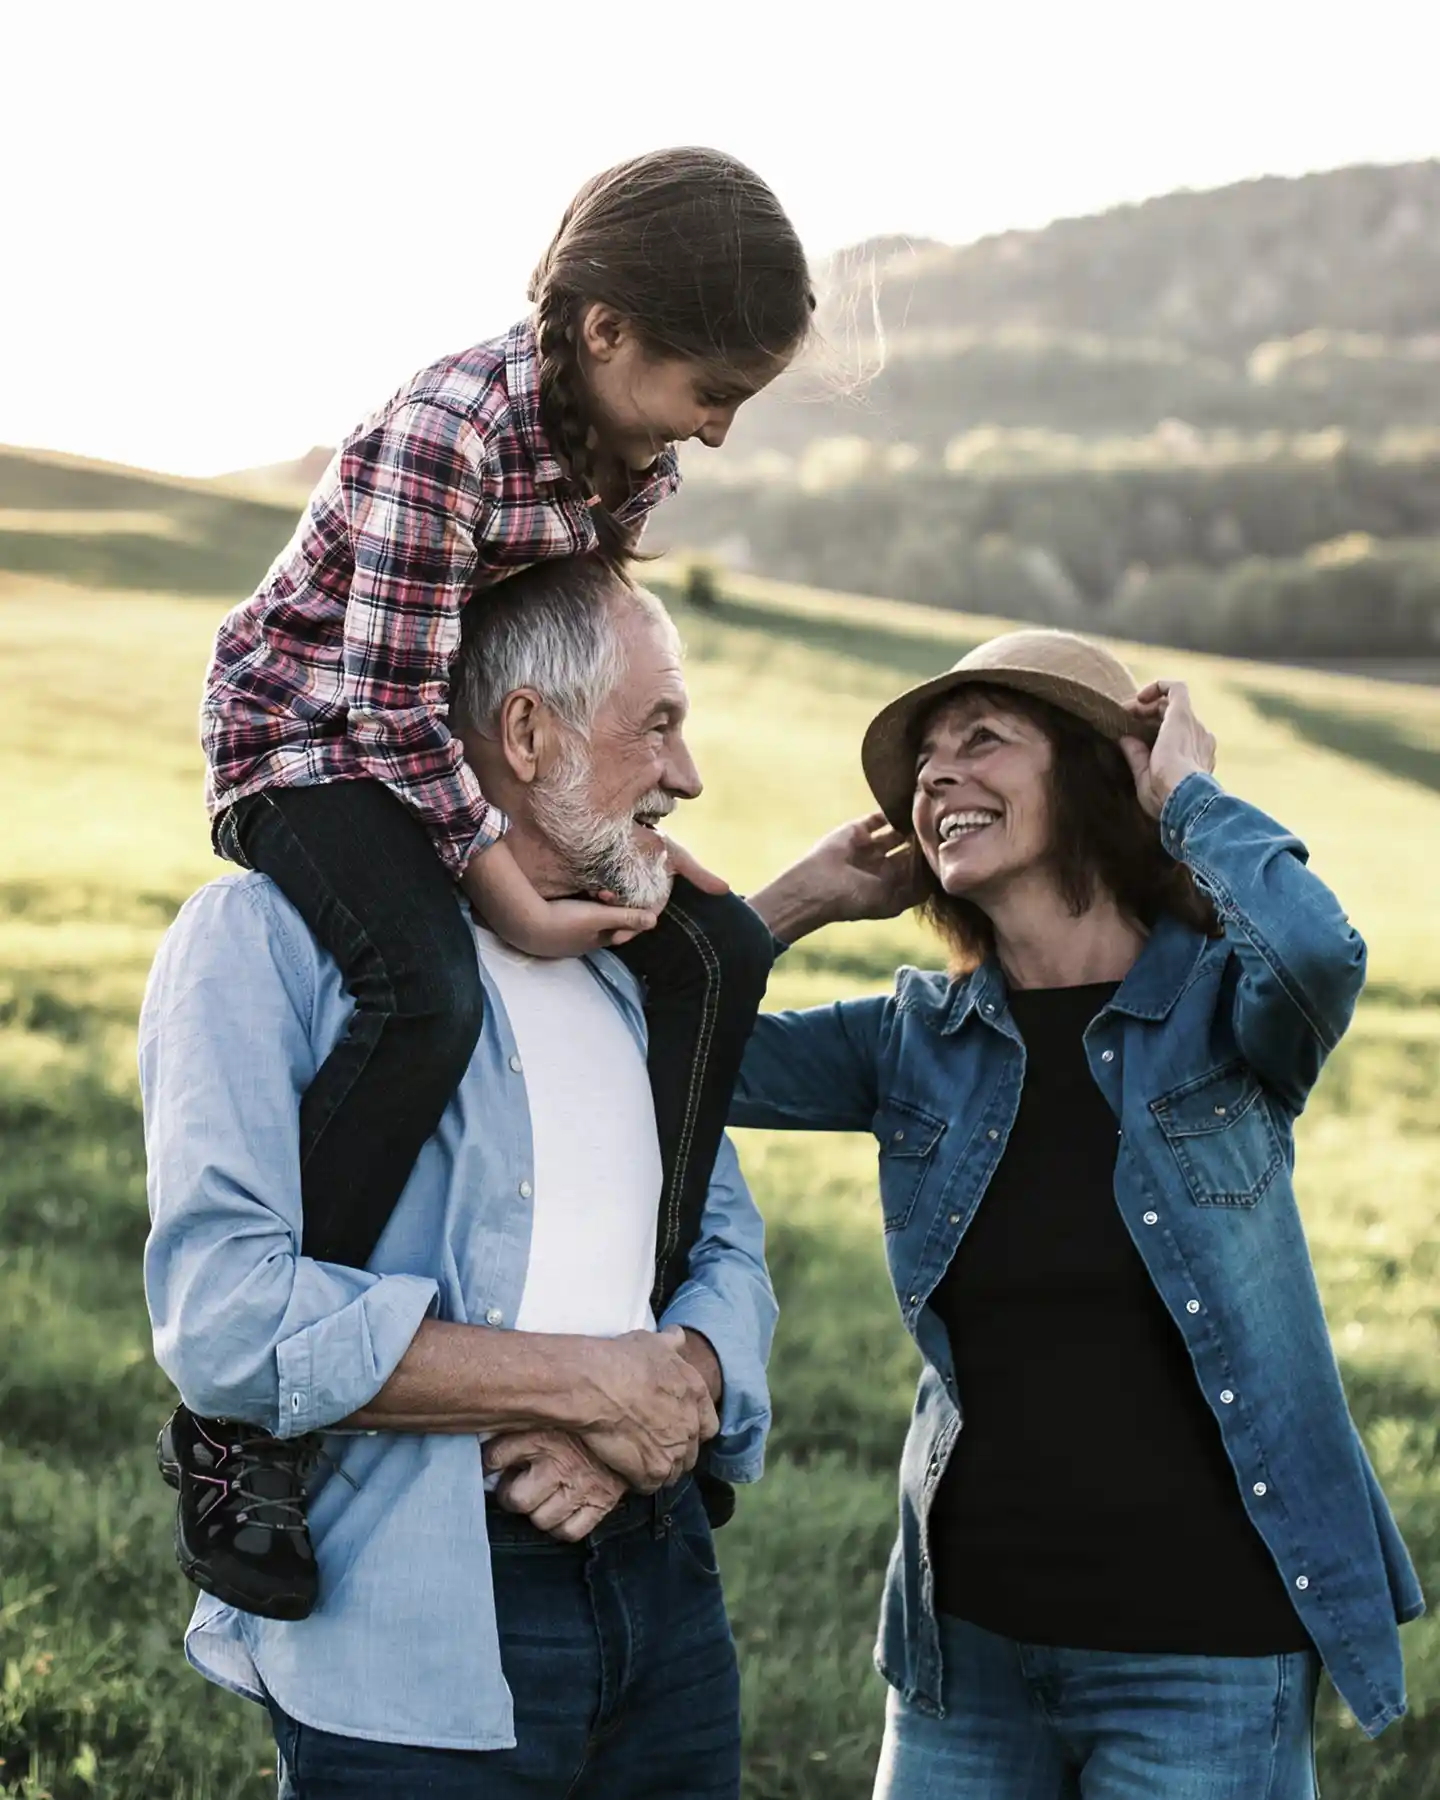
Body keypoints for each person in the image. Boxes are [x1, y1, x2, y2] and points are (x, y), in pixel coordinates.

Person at [160, 147, 812, 1617]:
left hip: (439, 747)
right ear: (605, 332)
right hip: (311, 749)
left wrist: (620, 825)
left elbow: (561, 636)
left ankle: (638, 1332)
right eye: (712, 390)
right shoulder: (450, 429)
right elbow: (392, 709)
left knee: (706, 954)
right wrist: (508, 889)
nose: (714, 431)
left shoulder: (620, 451)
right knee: (424, 988)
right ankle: (243, 1428)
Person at [735, 628, 1422, 1798]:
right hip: (970, 1664)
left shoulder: (1223, 1011)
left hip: (1202, 1658)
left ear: (1100, 775)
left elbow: (1316, 946)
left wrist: (1190, 798)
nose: (936, 776)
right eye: (926, 763)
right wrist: (800, 897)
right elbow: (669, 1054)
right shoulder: (915, 1041)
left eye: (984, 741)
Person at [142, 563, 776, 1798]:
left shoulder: (631, 967)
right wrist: (596, 1386)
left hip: (664, 1584)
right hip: (427, 1602)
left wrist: (666, 1395)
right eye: (658, 725)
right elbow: (227, 1318)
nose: (688, 775)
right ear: (528, 733)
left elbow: (729, 1255)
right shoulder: (266, 944)